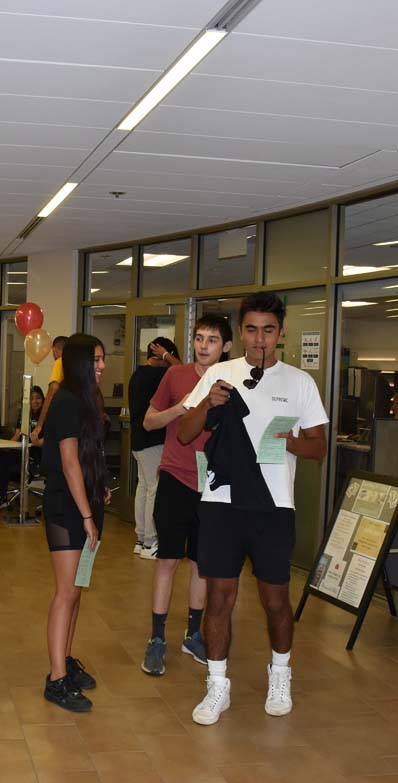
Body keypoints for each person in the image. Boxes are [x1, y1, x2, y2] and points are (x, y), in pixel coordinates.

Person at [178, 293, 328, 723]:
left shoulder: (300, 383)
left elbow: (318, 447)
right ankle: (217, 684)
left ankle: (280, 674)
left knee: (275, 600)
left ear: (280, 333)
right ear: (240, 333)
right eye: (250, 329)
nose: (259, 339)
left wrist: (291, 443)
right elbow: (186, 434)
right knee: (219, 599)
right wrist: (208, 404)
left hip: (273, 506)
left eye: (268, 330)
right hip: (221, 504)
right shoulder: (220, 374)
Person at [140, 315, 232, 677]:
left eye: (212, 339)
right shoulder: (175, 377)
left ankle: (193, 634)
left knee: (201, 564)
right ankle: (157, 639)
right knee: (168, 560)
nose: (203, 344)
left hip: (213, 484)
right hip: (176, 478)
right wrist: (180, 409)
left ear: (226, 346)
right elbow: (148, 422)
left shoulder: (233, 381)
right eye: (198, 338)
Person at [40, 334, 109, 712]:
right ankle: (56, 680)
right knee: (66, 592)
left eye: (103, 359)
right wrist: (86, 516)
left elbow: (87, 456)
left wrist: (100, 493)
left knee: (77, 589)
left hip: (86, 502)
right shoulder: (66, 401)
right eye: (96, 359)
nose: (101, 366)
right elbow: (68, 464)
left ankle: (64, 660)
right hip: (68, 509)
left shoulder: (87, 399)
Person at [128, 336, 181, 559]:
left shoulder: (138, 374)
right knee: (154, 489)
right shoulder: (160, 375)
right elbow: (183, 369)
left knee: (144, 487)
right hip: (153, 441)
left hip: (138, 441)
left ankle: (141, 539)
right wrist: (167, 357)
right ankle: (150, 542)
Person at [0, 384, 44, 512]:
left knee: (3, 462)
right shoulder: (24, 415)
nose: (35, 401)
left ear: (43, 399)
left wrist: (37, 442)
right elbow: (17, 435)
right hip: (22, 452)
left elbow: (48, 439)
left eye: (38, 398)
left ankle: (1, 498)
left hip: (36, 456)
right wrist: (6, 447)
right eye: (32, 399)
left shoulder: (45, 416)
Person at [30, 335, 67, 445]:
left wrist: (39, 425)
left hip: (61, 415)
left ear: (55, 350)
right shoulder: (75, 365)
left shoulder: (59, 362)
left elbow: (53, 390)